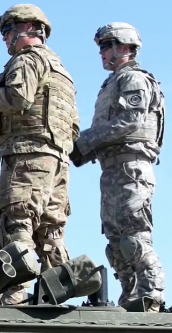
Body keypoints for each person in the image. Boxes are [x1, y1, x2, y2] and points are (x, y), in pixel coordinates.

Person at [0, 4, 80, 305]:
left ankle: (14, 295)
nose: (5, 39)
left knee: (16, 222)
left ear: (28, 29)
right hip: (57, 160)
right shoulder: (61, 70)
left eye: (7, 31)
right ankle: (57, 297)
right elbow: (74, 127)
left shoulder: (27, 60)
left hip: (26, 155)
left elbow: (16, 98)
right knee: (51, 232)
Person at [70, 22, 165, 312]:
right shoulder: (113, 82)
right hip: (112, 170)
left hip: (131, 168)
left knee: (133, 236)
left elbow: (130, 122)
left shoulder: (133, 79)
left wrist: (82, 144)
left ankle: (151, 295)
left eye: (105, 46)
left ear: (123, 47)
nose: (100, 53)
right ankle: (131, 297)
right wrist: (77, 152)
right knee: (115, 242)